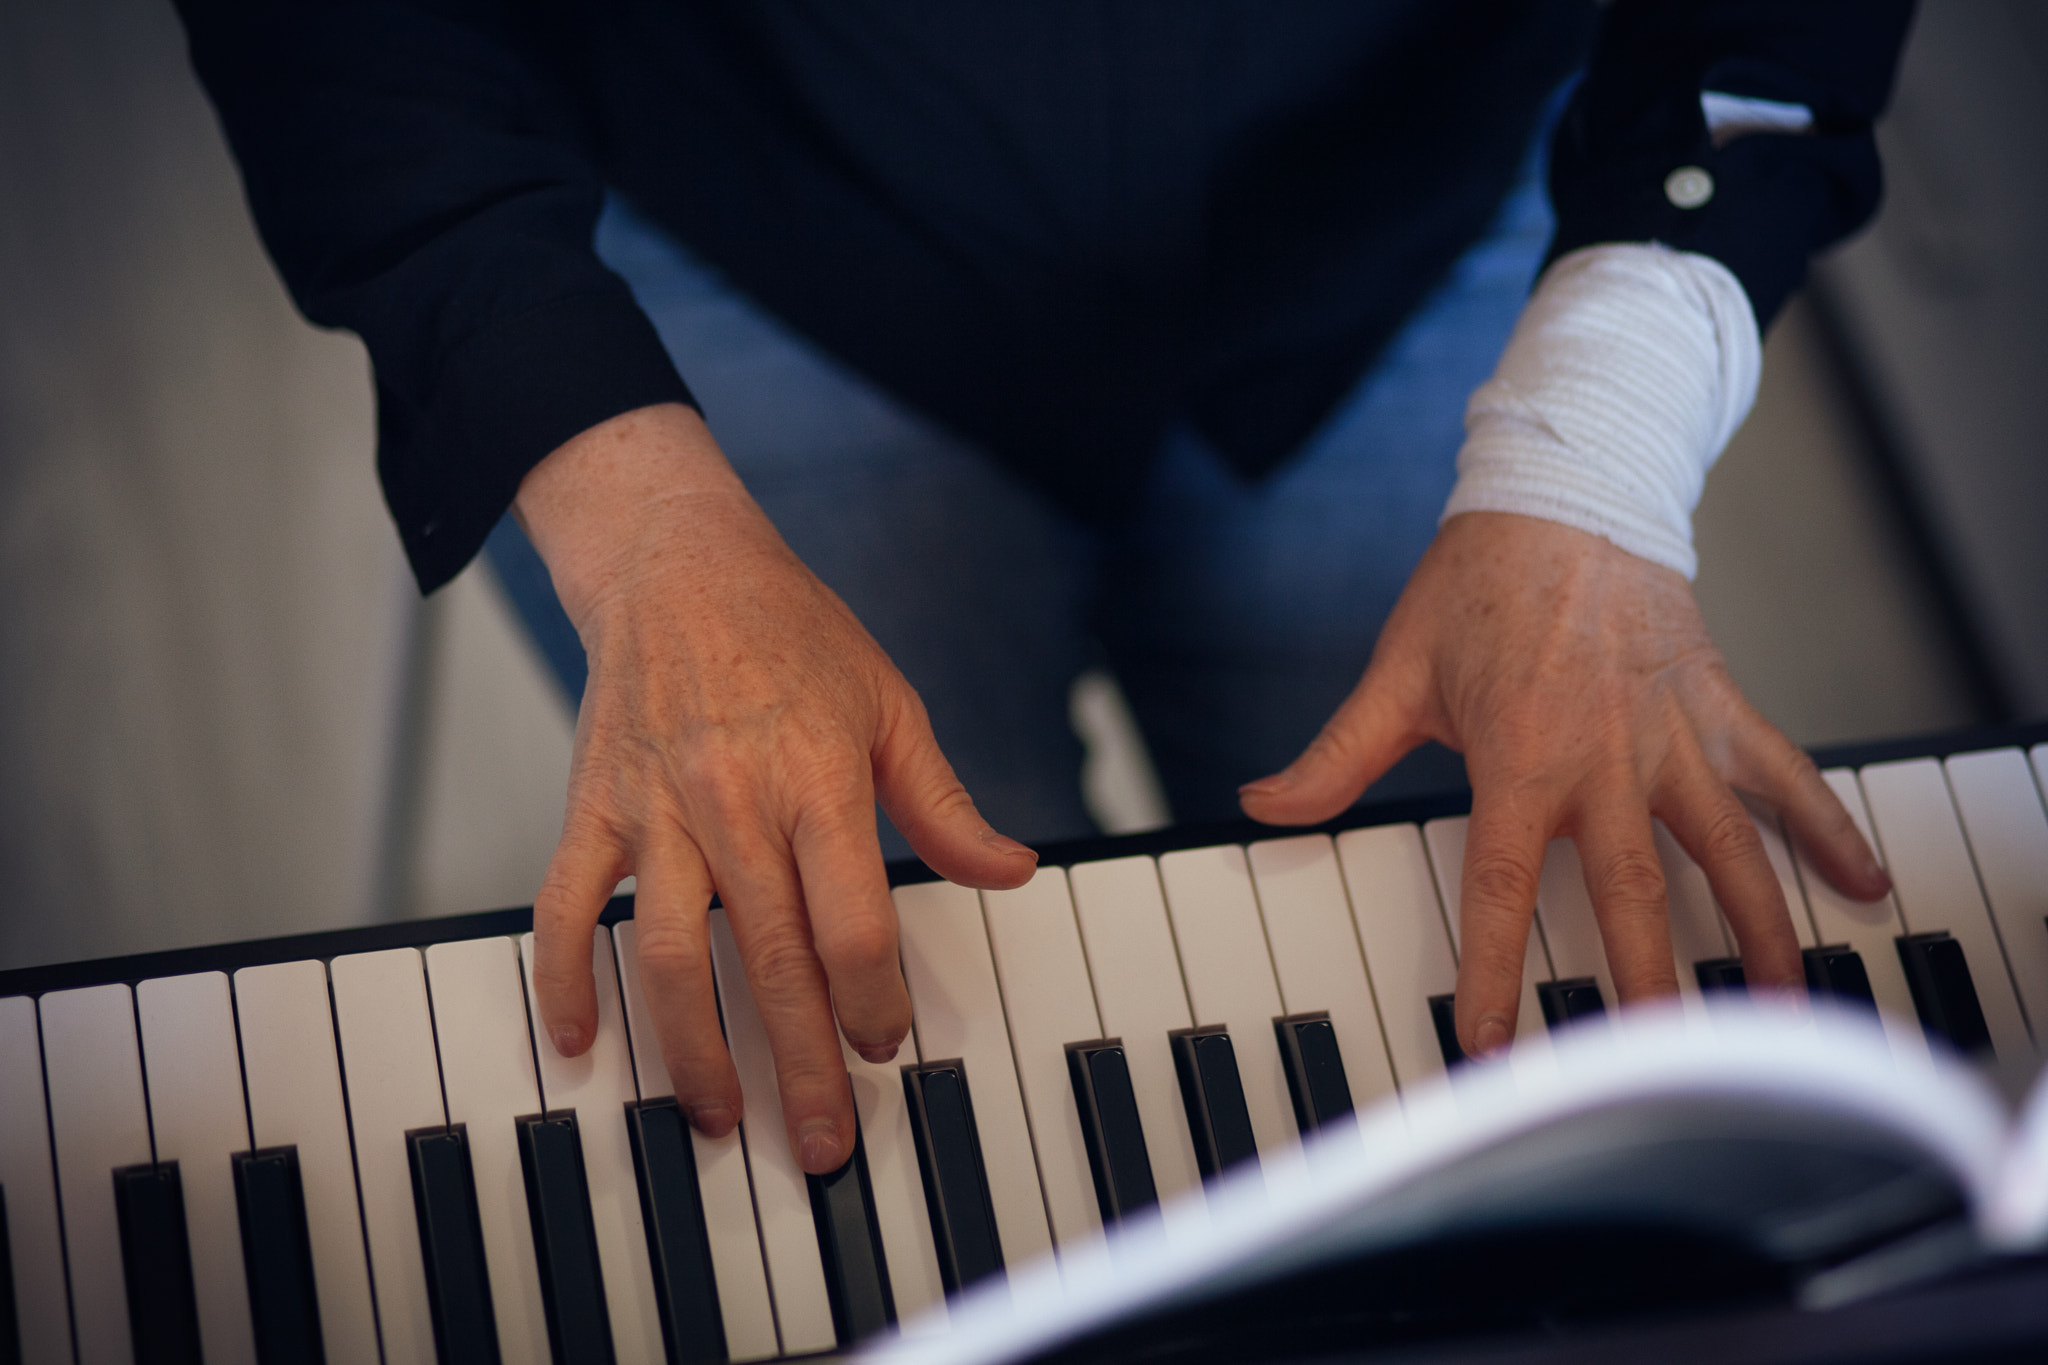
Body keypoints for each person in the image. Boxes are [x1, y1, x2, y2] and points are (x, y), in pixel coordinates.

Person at [177, 0, 1914, 1178]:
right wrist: (618, 489)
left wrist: (1594, 446)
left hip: (1417, 200)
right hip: (763, 206)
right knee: (913, 1055)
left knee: (1509, 1008)